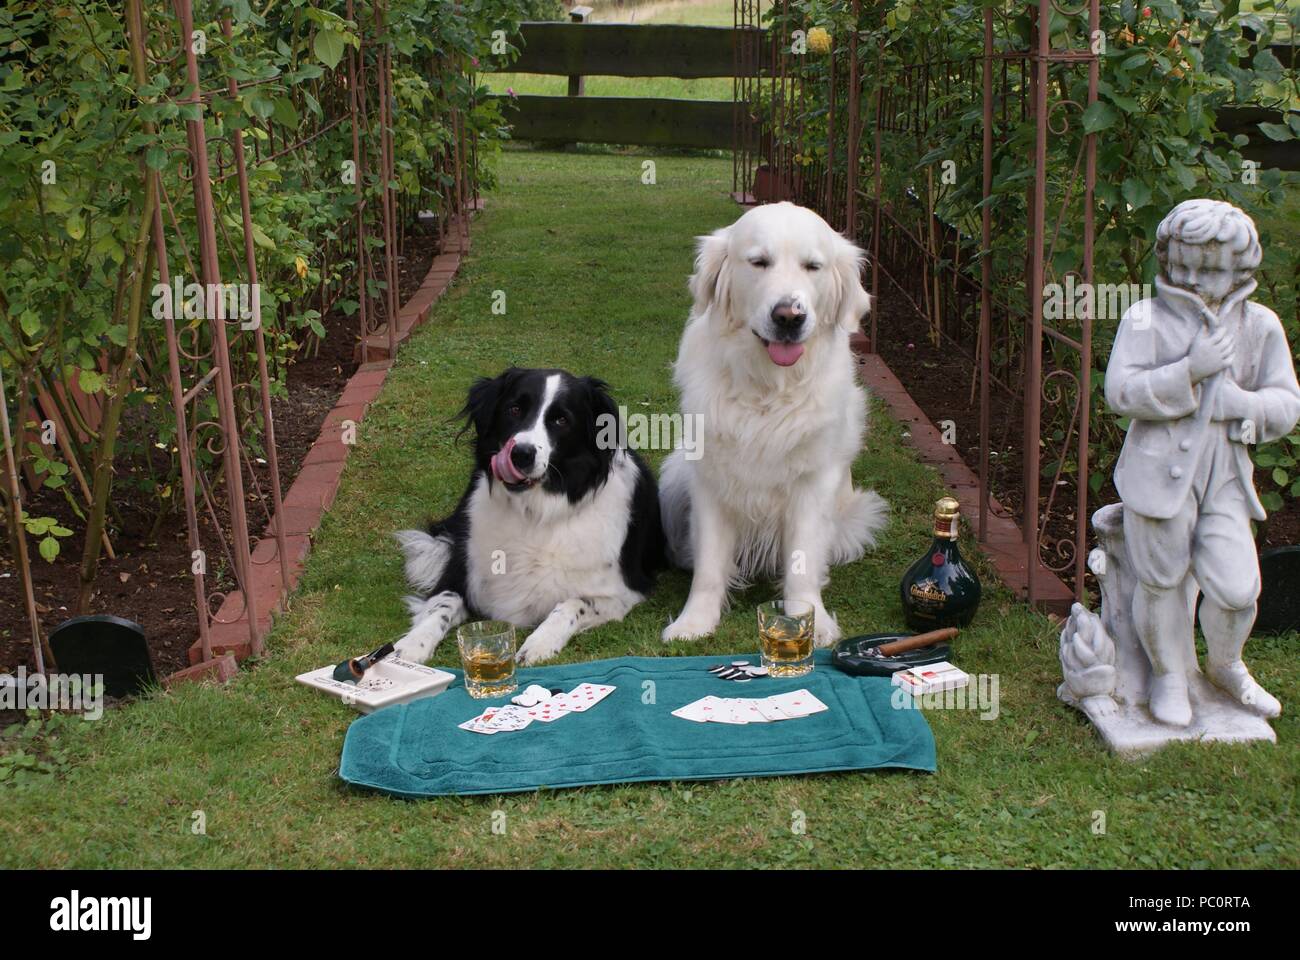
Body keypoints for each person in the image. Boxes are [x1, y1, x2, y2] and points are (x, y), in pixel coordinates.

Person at [1105, 199, 1300, 727]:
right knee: (1161, 579)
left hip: (1225, 475)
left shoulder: (1259, 326)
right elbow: (1120, 391)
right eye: (1182, 262)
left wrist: (1241, 404)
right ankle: (1169, 674)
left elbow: (1286, 403)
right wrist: (1188, 371)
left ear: (1241, 269)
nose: (1192, 277)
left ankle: (1226, 664)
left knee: (1238, 588)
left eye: (1209, 268)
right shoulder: (1145, 319)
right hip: (1156, 473)